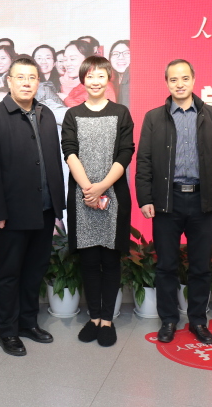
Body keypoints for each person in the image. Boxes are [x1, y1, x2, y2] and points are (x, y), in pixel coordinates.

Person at [135, 59, 212, 346]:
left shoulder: (211, 115)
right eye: (173, 79)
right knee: (166, 265)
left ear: (193, 80)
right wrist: (145, 198)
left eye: (185, 78)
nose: (179, 84)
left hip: (203, 200)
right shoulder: (154, 117)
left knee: (200, 266)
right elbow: (144, 161)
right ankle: (168, 320)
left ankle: (198, 321)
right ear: (167, 83)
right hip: (168, 200)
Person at [0, 57, 65, 357]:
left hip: (44, 210)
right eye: (21, 77)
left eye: (32, 77)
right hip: (12, 214)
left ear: (38, 82)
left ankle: (28, 323)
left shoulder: (45, 113)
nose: (27, 83)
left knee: (34, 271)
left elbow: (53, 162)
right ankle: (7, 331)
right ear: (9, 81)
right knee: (9, 274)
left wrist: (57, 205)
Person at [61, 56, 134, 347]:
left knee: (110, 260)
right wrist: (87, 189)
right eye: (89, 76)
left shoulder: (121, 112)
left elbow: (126, 153)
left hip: (113, 196)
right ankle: (93, 318)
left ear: (109, 79)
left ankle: (107, 320)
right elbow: (69, 152)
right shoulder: (73, 114)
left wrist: (102, 187)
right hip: (82, 198)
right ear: (82, 80)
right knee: (90, 261)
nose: (95, 81)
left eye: (100, 76)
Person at [62, 40, 116, 106]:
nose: (67, 64)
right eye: (65, 59)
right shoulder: (81, 83)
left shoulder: (104, 87)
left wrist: (66, 99)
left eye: (72, 59)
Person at [107, 40, 130, 106]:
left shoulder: (138, 84)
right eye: (115, 54)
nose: (120, 58)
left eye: (127, 53)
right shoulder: (109, 82)